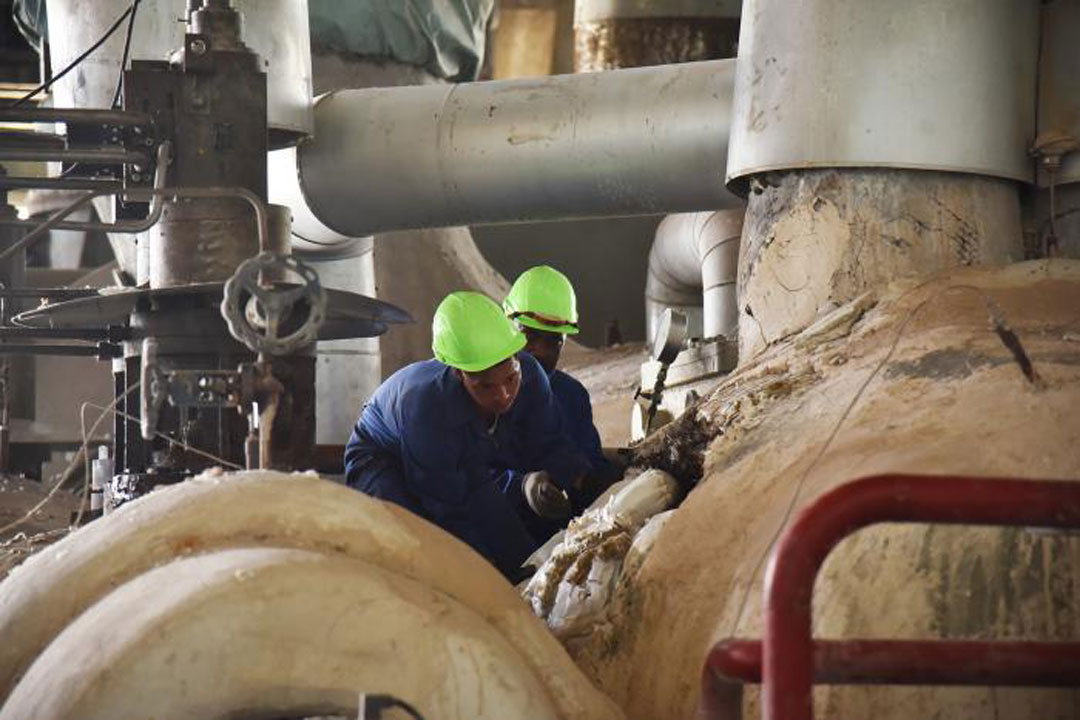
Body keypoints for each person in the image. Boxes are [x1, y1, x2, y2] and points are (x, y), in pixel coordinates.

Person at [344, 290, 588, 580]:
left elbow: (550, 444)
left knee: (518, 550)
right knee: (412, 545)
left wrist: (587, 481)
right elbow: (450, 508)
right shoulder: (425, 406)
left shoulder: (532, 376)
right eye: (485, 386)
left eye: (511, 379)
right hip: (382, 457)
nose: (503, 396)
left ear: (517, 358)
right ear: (459, 373)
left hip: (455, 458)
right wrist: (493, 574)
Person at [501, 266, 621, 538]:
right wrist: (522, 486)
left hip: (558, 537)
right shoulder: (484, 395)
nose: (539, 352)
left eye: (553, 341)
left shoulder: (572, 395)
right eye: (529, 337)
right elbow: (470, 478)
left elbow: (588, 468)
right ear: (506, 328)